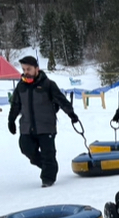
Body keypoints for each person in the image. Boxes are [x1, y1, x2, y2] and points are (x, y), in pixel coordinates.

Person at [7, 55, 79, 187]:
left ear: (36, 69)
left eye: (29, 69)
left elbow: (61, 100)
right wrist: (11, 120)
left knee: (48, 153)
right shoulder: (21, 87)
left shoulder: (48, 84)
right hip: (27, 126)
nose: (26, 72)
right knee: (26, 148)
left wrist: (71, 114)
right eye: (24, 69)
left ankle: (48, 178)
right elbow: (15, 105)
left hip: (46, 126)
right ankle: (49, 167)